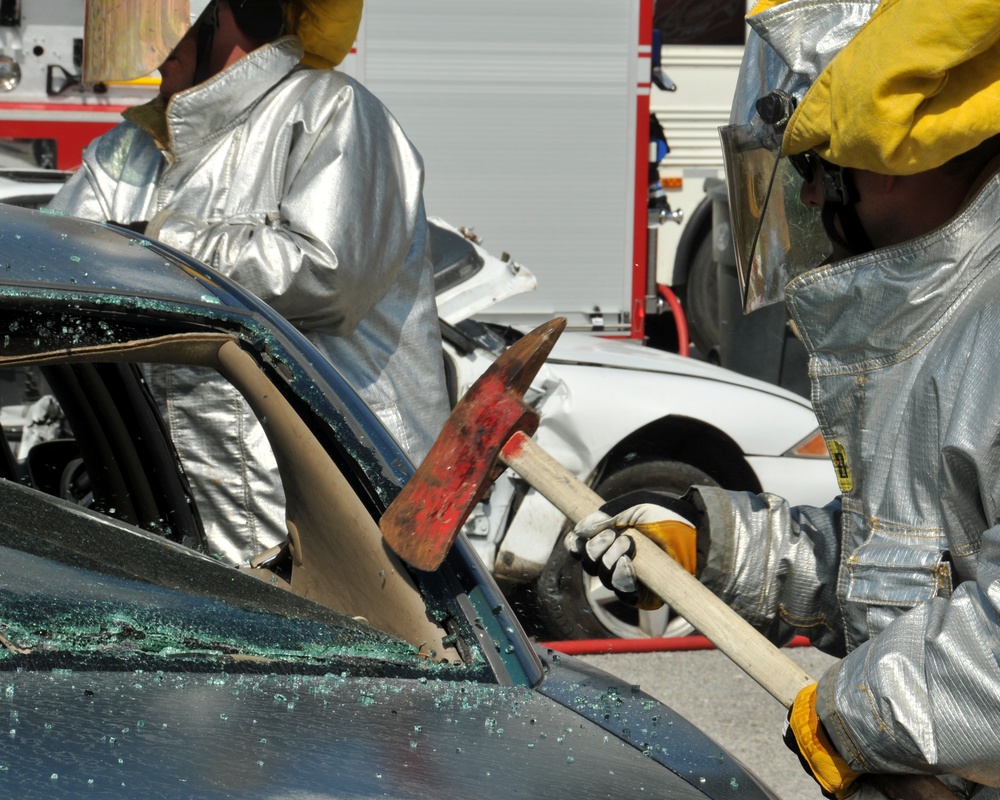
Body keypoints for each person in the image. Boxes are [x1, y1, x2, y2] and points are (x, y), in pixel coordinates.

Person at [568, 0, 1000, 797]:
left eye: (814, 168)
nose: (807, 203)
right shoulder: (942, 317)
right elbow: (910, 556)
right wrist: (717, 544)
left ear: (897, 153)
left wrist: (861, 715)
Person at [47, 0, 450, 564]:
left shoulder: (333, 112)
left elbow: (325, 273)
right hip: (181, 524)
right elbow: (54, 262)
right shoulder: (128, 150)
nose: (148, 50)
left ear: (230, 14)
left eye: (154, 22)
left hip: (341, 524)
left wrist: (152, 245)